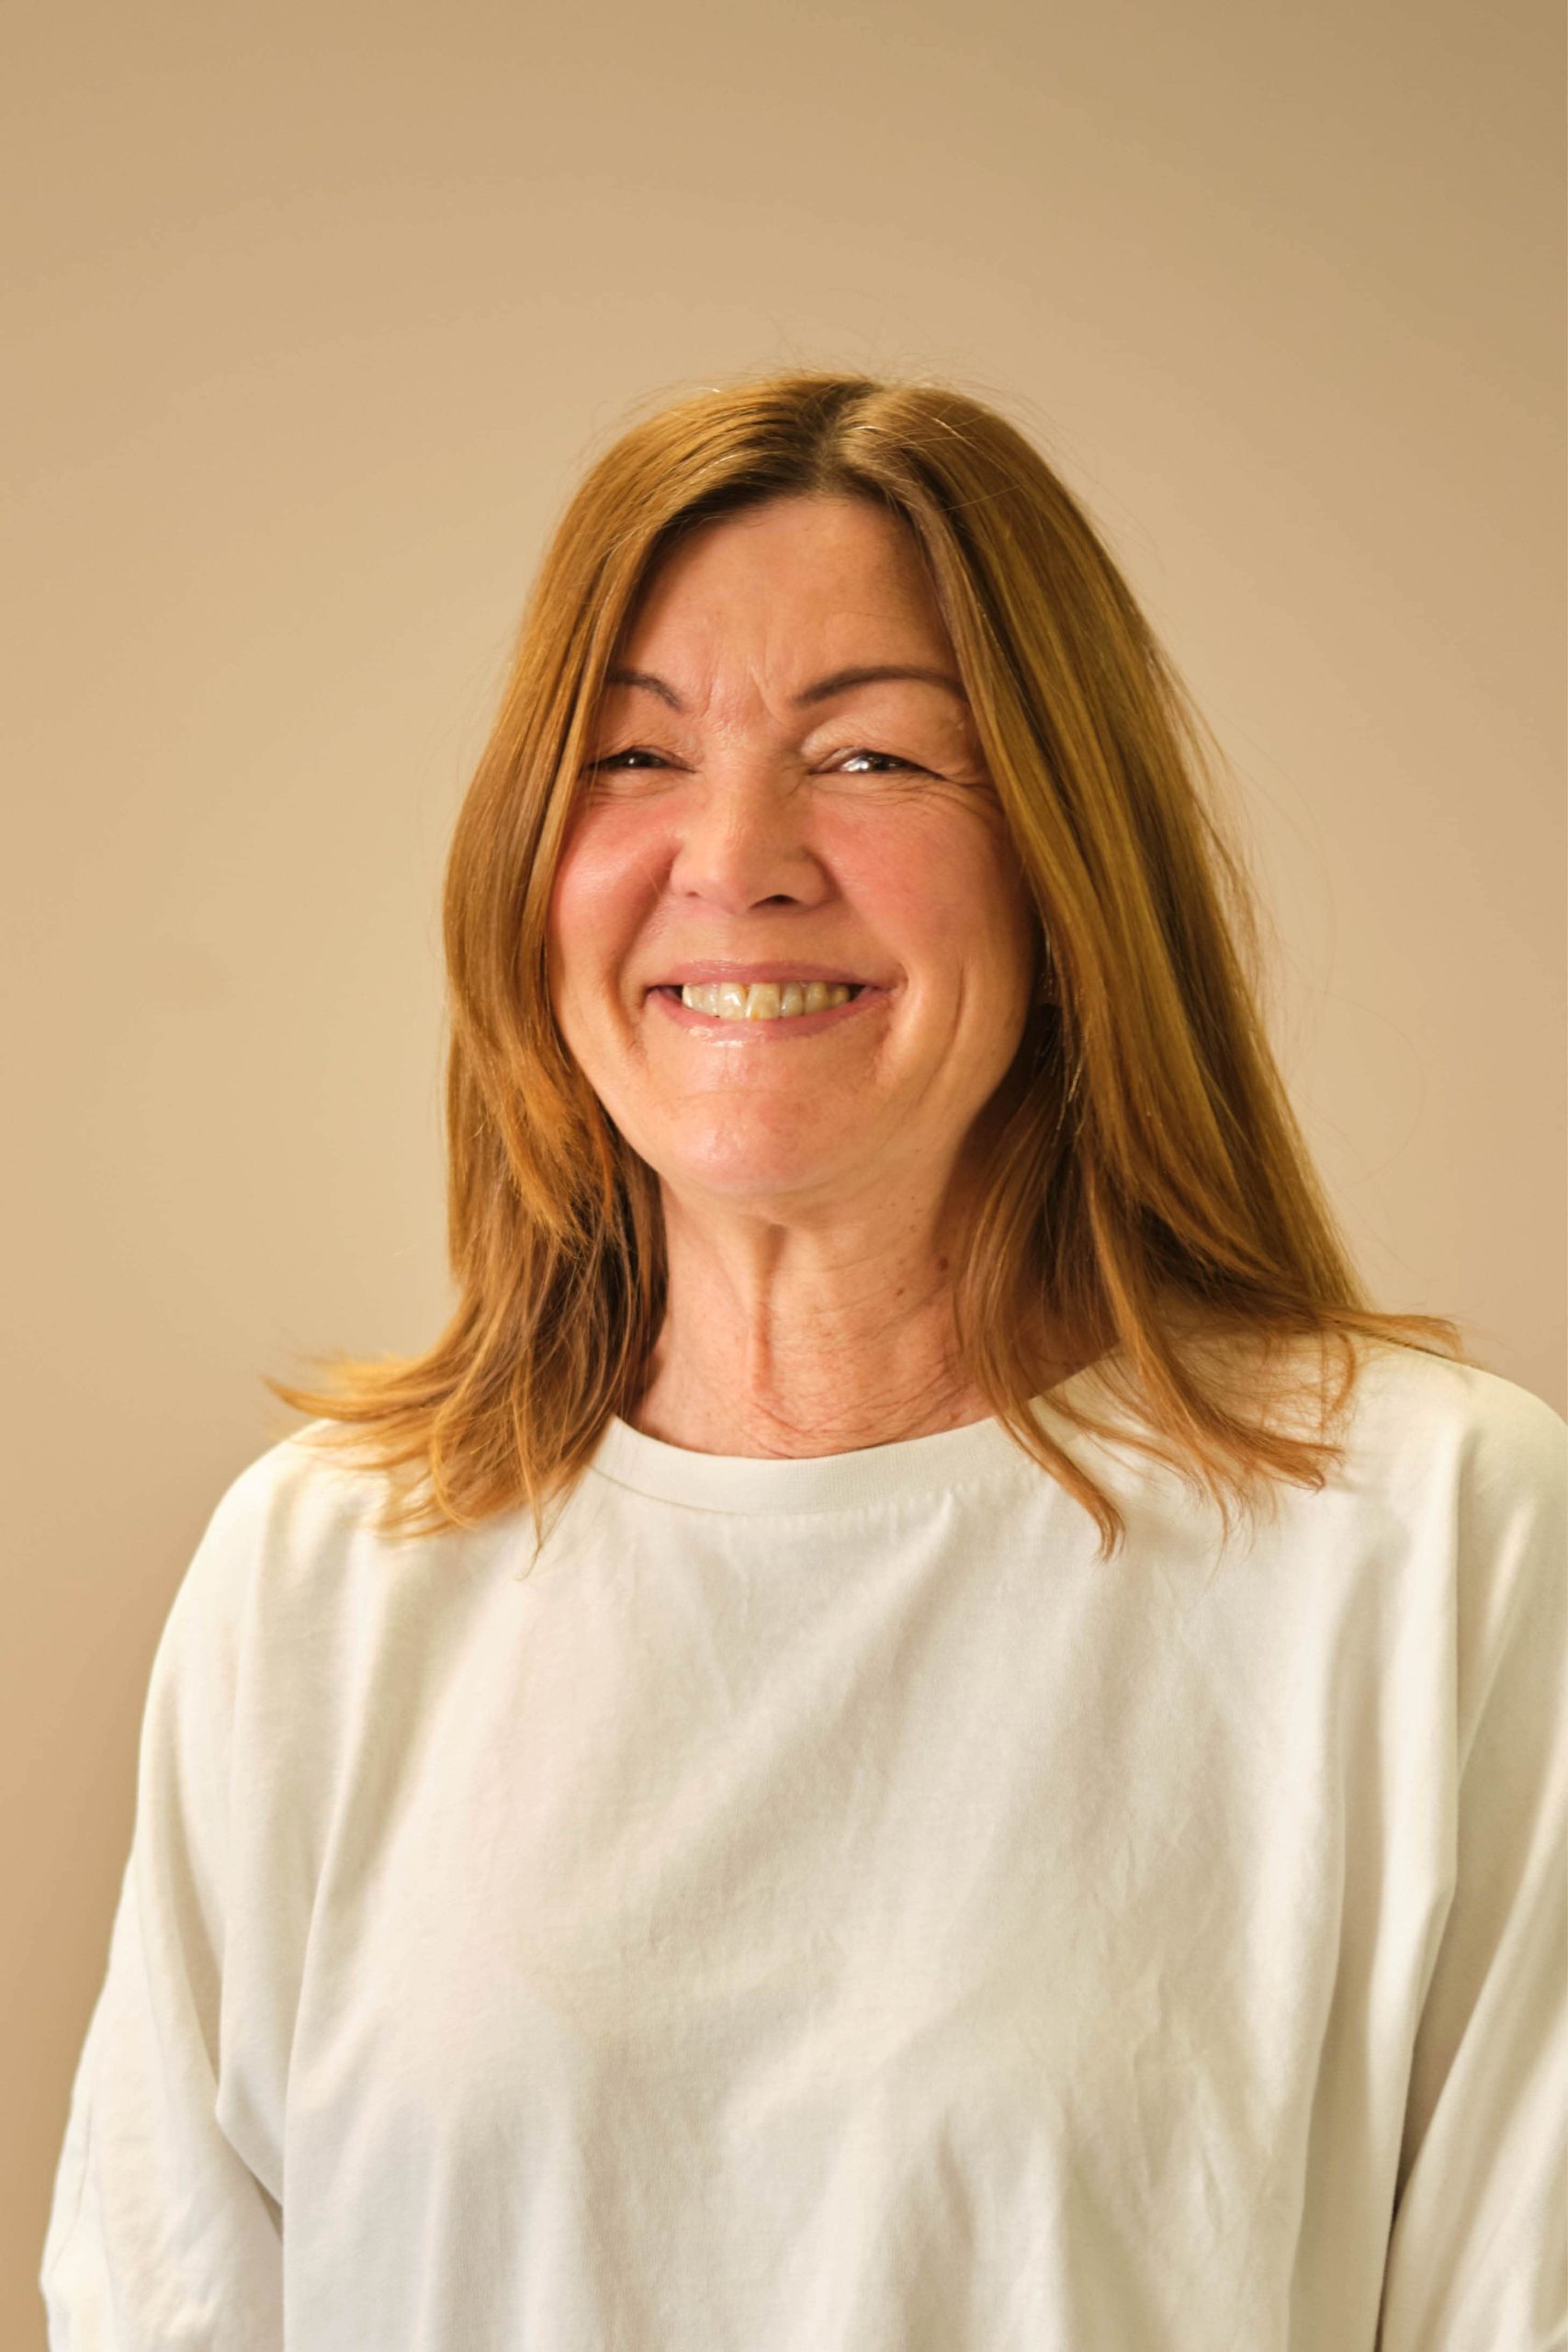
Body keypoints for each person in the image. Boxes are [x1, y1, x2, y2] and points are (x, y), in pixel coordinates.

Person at [40, 370, 1566, 2350]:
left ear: (1065, 861)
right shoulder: (323, 1576)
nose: (735, 853)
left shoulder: (1433, 1544)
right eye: (630, 755)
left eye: (869, 760)